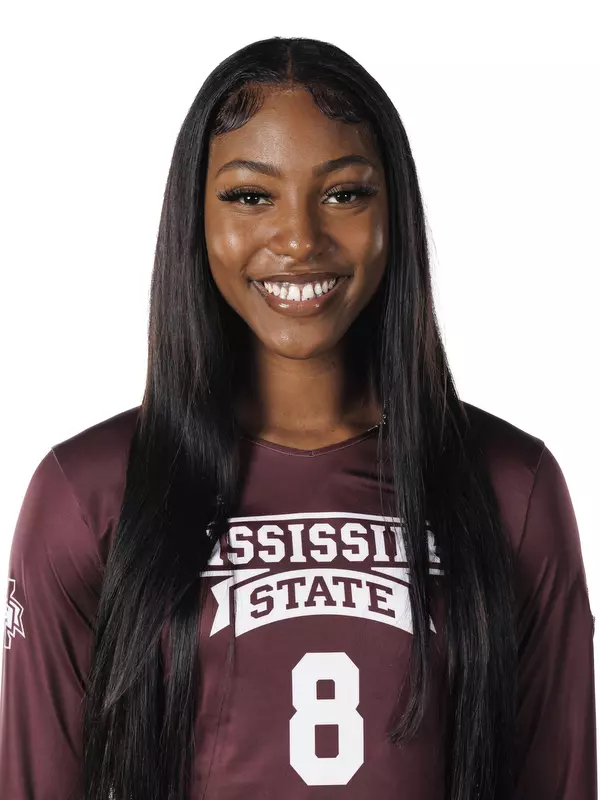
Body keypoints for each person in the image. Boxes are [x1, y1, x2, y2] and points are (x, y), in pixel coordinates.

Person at [0, 36, 596, 800]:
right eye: (251, 196)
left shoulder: (514, 490)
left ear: (395, 211)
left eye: (344, 193)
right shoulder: (86, 497)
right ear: (196, 216)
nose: (299, 239)